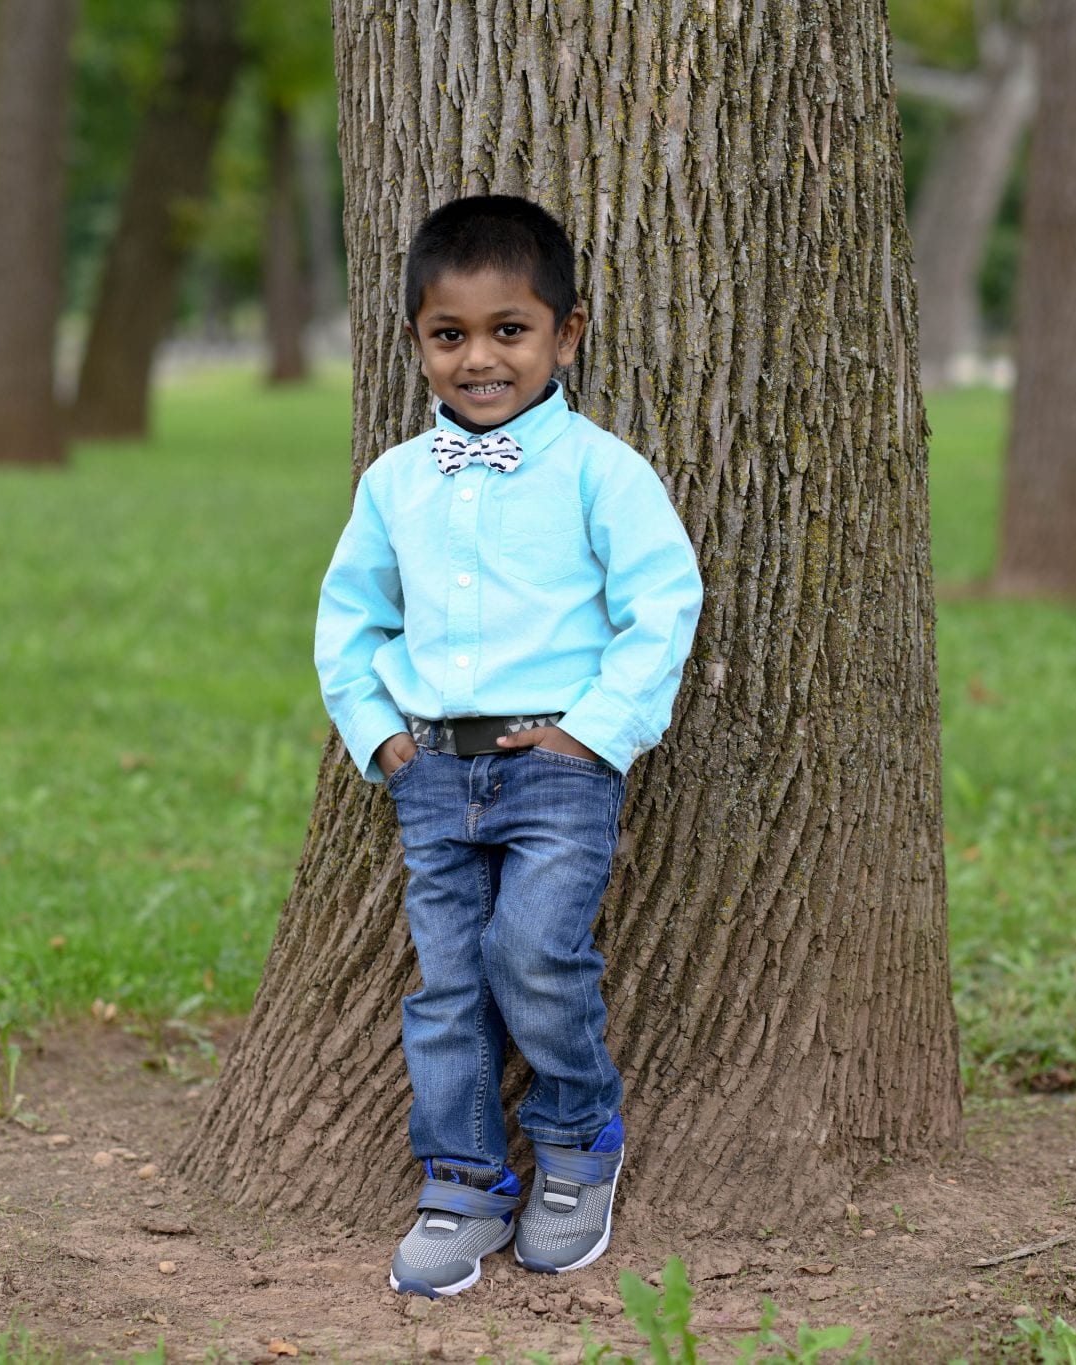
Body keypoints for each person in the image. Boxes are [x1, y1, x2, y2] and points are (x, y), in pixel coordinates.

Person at [314, 194, 704, 1297]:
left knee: (534, 956)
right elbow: (351, 621)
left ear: (564, 335)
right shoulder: (393, 483)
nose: (479, 357)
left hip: (556, 772)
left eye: (509, 330)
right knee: (446, 990)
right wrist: (382, 740)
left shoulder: (600, 472)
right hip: (431, 772)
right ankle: (462, 1182)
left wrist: (592, 738)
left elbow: (662, 604)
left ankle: (579, 1148)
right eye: (451, 335)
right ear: (417, 344)